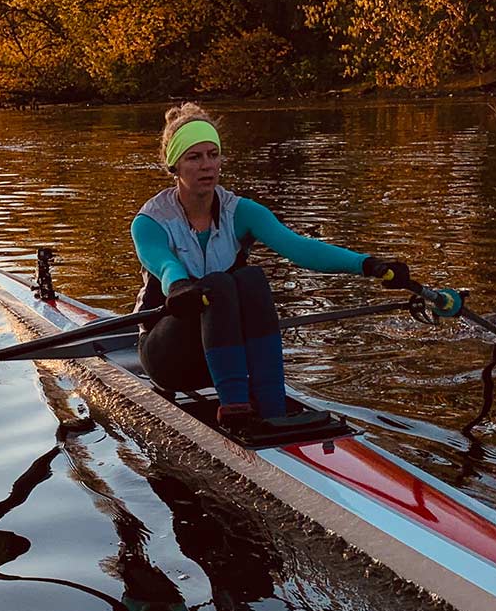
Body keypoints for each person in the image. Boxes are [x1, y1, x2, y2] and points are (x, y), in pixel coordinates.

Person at [131, 103, 410, 425]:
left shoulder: (241, 211)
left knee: (251, 278)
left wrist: (369, 264)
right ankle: (236, 410)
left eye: (213, 154)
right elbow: (166, 266)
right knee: (219, 284)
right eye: (195, 157)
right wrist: (179, 286)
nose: (207, 165)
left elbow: (300, 248)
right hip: (168, 356)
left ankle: (272, 406)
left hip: (224, 350)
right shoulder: (150, 221)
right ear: (174, 166)